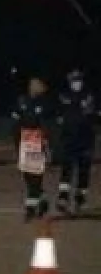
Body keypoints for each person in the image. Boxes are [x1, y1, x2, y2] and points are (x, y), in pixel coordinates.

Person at [12, 76, 56, 221]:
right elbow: (16, 122)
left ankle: (30, 208)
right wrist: (17, 141)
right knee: (27, 175)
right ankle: (42, 199)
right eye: (32, 84)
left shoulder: (44, 104)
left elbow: (47, 125)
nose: (33, 87)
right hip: (25, 141)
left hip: (37, 141)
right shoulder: (22, 101)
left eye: (37, 84)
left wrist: (47, 144)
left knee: (35, 176)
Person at [54, 68, 96, 215]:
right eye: (74, 80)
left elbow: (91, 115)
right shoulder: (63, 96)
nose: (77, 83)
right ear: (70, 82)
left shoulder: (88, 96)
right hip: (69, 139)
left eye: (79, 80)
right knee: (66, 169)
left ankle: (80, 200)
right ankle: (63, 198)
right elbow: (58, 115)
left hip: (85, 139)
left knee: (84, 171)